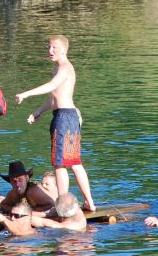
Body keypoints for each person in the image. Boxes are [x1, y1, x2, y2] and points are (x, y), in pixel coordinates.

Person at [14, 35, 96, 211]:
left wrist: (26, 94)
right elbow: (54, 98)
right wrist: (38, 112)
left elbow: (52, 86)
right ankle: (89, 201)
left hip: (65, 118)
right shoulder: (59, 69)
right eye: (48, 47)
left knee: (61, 163)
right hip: (68, 116)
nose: (50, 51)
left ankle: (62, 205)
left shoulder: (65, 68)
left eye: (54, 48)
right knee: (74, 162)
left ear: (64, 50)